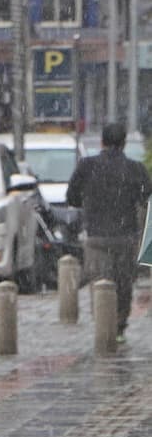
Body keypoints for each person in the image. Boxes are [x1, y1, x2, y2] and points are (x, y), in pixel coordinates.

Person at [66, 122, 152, 340]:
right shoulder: (135, 169)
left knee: (102, 282)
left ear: (102, 142)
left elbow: (72, 198)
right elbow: (145, 198)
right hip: (126, 236)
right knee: (123, 283)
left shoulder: (87, 166)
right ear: (123, 143)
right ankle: (120, 325)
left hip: (96, 236)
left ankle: (104, 325)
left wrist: (90, 200)